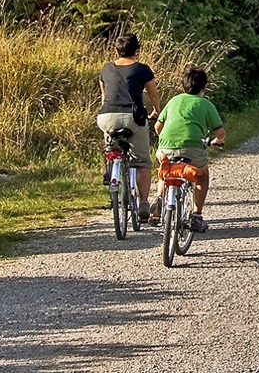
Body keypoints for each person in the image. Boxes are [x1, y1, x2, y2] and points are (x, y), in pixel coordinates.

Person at [152, 66, 226, 231]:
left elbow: (158, 126)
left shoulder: (174, 100)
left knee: (166, 170)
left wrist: (166, 140)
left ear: (183, 85)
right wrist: (217, 141)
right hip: (193, 148)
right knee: (202, 175)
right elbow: (220, 132)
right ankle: (197, 216)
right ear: (203, 87)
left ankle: (159, 198)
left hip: (166, 147)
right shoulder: (205, 104)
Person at [95, 32, 159, 220]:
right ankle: (145, 203)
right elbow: (153, 95)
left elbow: (104, 97)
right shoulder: (143, 69)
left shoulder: (106, 69)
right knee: (141, 161)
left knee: (111, 143)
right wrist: (156, 112)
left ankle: (110, 164)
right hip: (133, 117)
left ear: (116, 49)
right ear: (137, 50)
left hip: (107, 116)